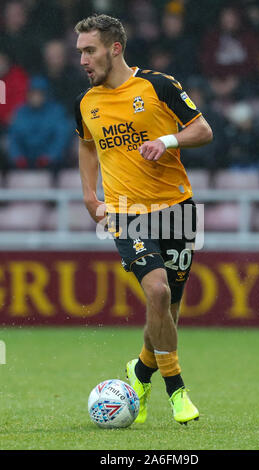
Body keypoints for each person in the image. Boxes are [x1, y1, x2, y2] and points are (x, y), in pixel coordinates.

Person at [74, 14, 213, 425]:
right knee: (156, 293)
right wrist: (88, 194)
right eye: (80, 51)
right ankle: (177, 391)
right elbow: (86, 144)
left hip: (177, 207)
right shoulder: (87, 102)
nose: (82, 59)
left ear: (115, 48)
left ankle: (141, 370)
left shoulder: (158, 85)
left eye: (89, 50)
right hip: (126, 212)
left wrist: (166, 140)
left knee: (168, 311)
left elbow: (203, 129)